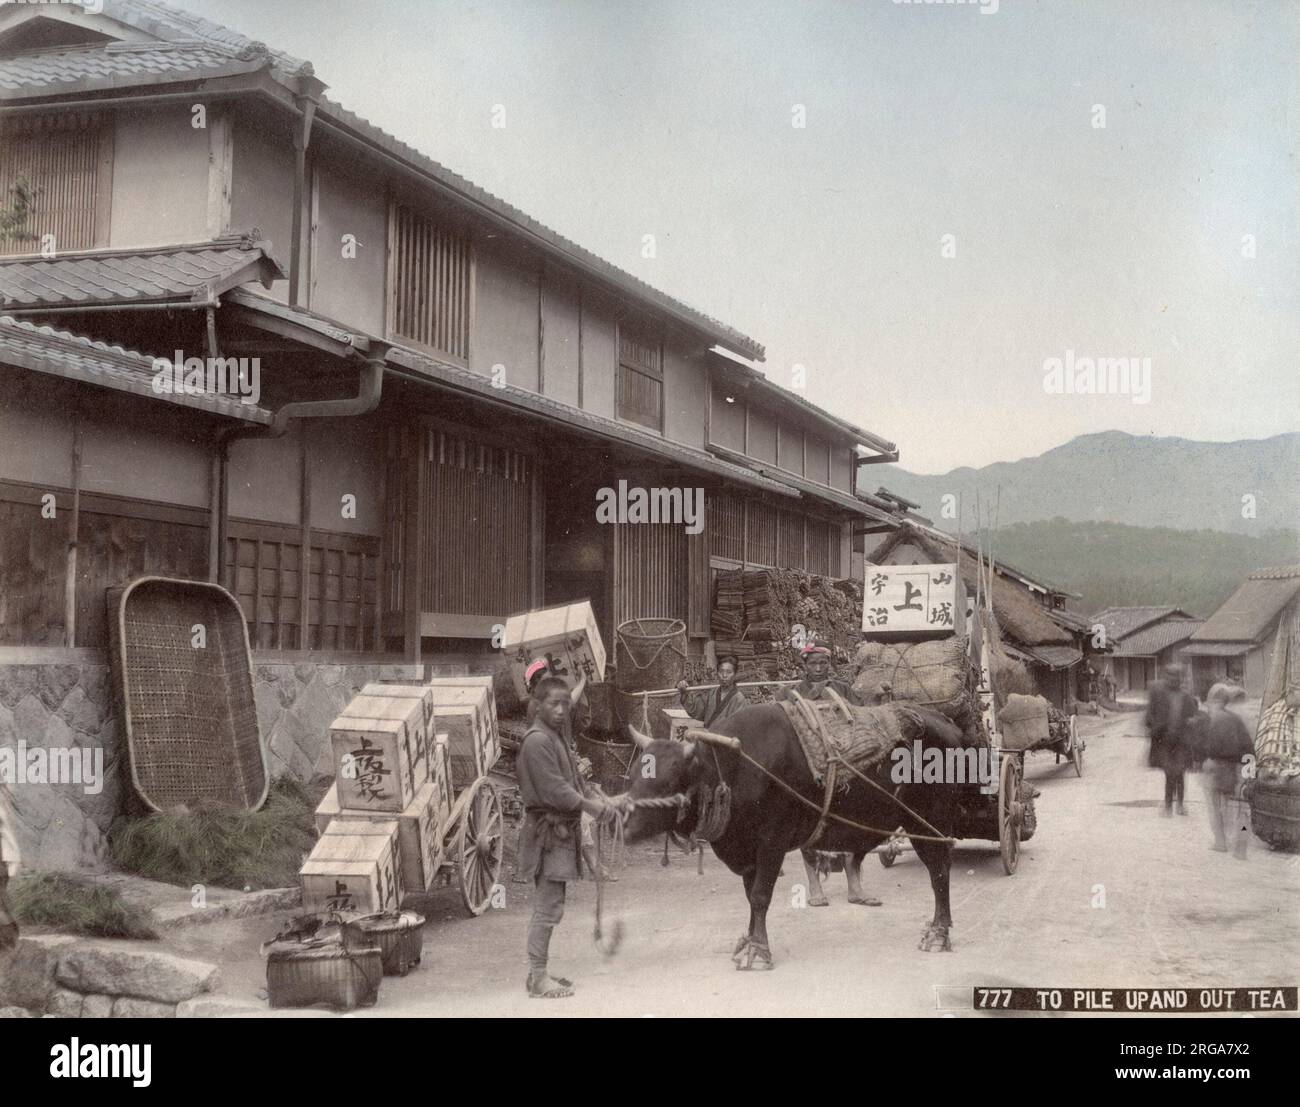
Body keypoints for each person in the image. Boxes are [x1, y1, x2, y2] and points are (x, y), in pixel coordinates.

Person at [516, 674, 624, 999]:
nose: (562, 710)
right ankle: (538, 978)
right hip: (547, 835)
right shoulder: (537, 741)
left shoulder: (555, 737)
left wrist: (598, 797)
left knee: (553, 905)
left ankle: (539, 972)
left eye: (565, 703)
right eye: (554, 704)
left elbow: (574, 781)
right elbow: (555, 790)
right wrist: (592, 806)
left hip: (559, 834)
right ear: (538, 705)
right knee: (548, 907)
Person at [1196, 683, 1255, 858]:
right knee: (1242, 810)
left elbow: (1211, 748)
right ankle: (1241, 846)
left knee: (1215, 806)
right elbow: (1249, 748)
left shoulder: (1216, 719)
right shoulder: (1236, 718)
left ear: (1214, 701)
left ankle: (1220, 842)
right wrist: (1248, 773)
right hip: (1244, 766)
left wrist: (1206, 761)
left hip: (1223, 767)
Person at [1145, 664, 1197, 815]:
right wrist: (1154, 727)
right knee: (1169, 772)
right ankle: (1168, 806)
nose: (1174, 680)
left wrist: (1190, 725)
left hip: (1181, 741)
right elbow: (1149, 715)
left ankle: (1180, 805)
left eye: (1176, 677)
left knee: (1180, 773)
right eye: (1170, 677)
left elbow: (1193, 715)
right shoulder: (1158, 694)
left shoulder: (1186, 696)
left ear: (1180, 679)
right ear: (1166, 678)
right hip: (1165, 740)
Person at [675, 653, 751, 728]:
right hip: (708, 736)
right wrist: (684, 693)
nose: (724, 675)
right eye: (721, 671)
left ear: (735, 674)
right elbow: (696, 710)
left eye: (729, 672)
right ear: (717, 673)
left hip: (726, 738)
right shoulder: (712, 693)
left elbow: (739, 726)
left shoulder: (739, 699)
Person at [780, 640, 864, 706]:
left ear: (829, 663)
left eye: (823, 663)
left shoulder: (843, 689)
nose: (818, 669)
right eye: (812, 664)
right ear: (805, 665)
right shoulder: (791, 692)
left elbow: (859, 714)